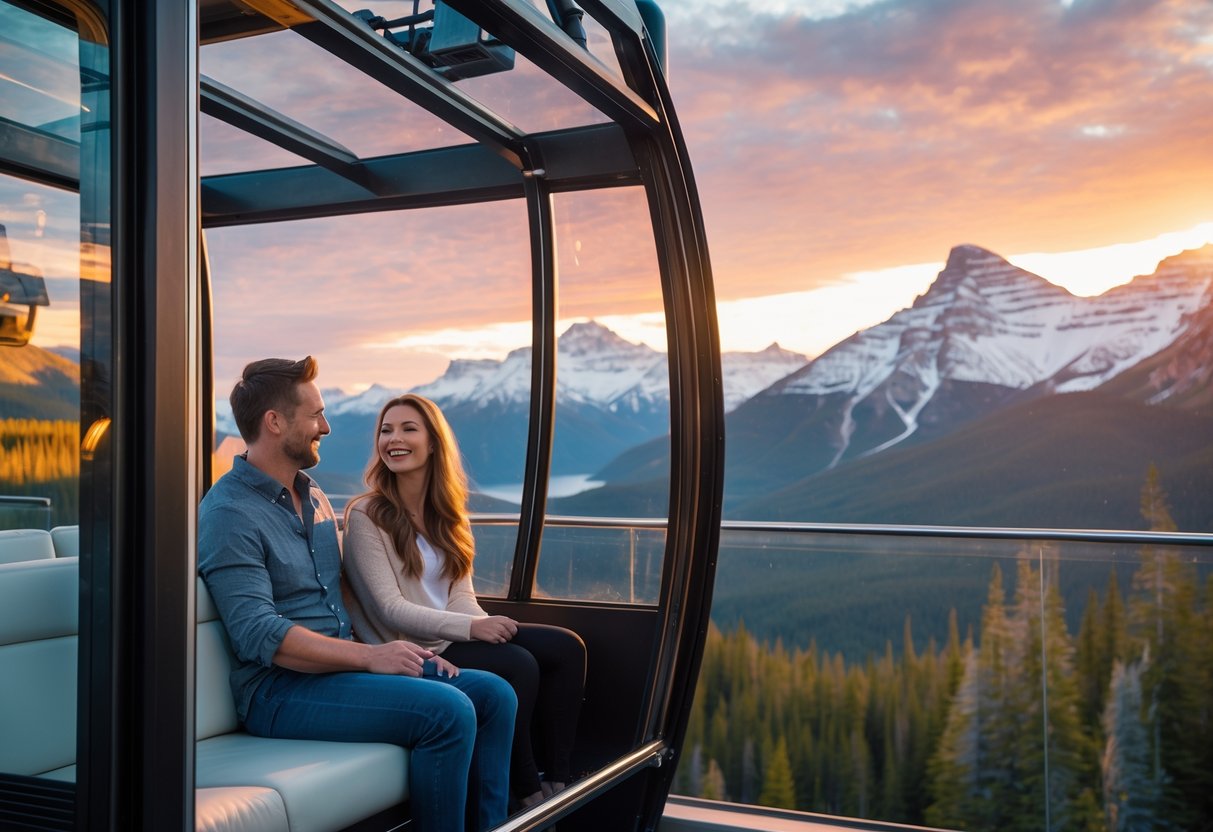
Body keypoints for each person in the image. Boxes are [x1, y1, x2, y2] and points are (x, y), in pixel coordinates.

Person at [198, 357, 516, 832]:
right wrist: (370, 659)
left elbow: (342, 591)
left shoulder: (316, 497)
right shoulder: (229, 513)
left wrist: (401, 652)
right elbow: (257, 634)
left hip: (338, 671)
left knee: (494, 694)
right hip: (279, 691)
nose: (325, 426)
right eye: (316, 415)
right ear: (275, 422)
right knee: (448, 711)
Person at [342, 393, 587, 810]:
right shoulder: (366, 515)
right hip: (412, 648)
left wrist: (486, 625)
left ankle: (557, 782)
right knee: (518, 664)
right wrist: (473, 629)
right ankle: (526, 790)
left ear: (434, 442)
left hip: (449, 636)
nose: (393, 439)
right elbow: (389, 608)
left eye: (407, 429)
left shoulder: (449, 515)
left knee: (566, 647)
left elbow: (460, 597)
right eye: (386, 430)